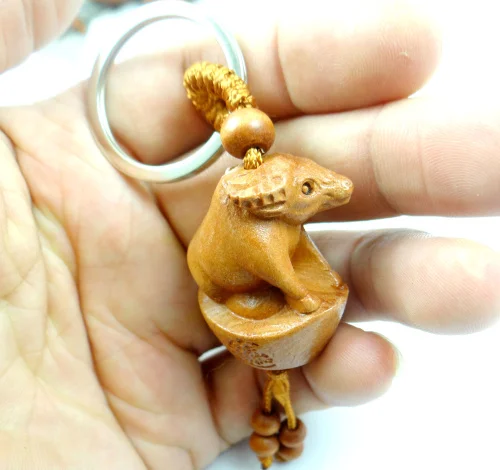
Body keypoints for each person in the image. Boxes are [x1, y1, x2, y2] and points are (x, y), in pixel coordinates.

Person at [0, 1, 498, 469]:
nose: (332, 190)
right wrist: (299, 294)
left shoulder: (279, 216)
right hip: (226, 287)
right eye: (309, 190)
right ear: (277, 201)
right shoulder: (258, 229)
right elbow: (278, 269)